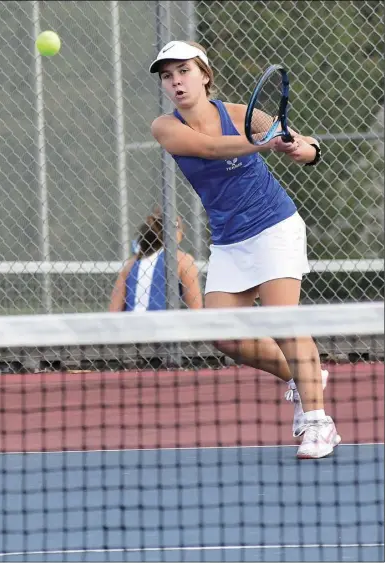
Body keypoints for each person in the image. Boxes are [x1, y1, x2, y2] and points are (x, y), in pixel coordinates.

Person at [148, 40, 340, 459]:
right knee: (221, 333)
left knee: (281, 320)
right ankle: (304, 376)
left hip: (275, 226)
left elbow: (309, 147)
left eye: (183, 70)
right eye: (168, 75)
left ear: (204, 74)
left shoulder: (239, 114)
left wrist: (296, 147)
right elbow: (212, 150)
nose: (176, 81)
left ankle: (319, 423)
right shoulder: (165, 126)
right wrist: (263, 142)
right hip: (230, 240)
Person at [109, 209, 203, 312]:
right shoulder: (183, 260)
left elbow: (114, 311)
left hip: (131, 325)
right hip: (162, 326)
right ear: (175, 233)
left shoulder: (131, 263)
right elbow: (196, 309)